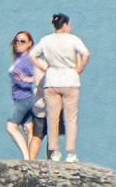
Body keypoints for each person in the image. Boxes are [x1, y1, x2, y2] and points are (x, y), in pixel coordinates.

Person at [31, 13, 89, 162]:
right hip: (70, 81)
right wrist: (79, 69)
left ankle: (55, 151)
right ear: (65, 25)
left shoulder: (47, 40)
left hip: (52, 80)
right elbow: (86, 54)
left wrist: (45, 67)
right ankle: (70, 153)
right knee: (70, 118)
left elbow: (33, 55)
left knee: (52, 118)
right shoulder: (73, 39)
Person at [5, 31, 43, 160]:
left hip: (23, 98)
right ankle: (31, 159)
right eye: (17, 41)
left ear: (30, 44)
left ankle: (27, 158)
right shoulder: (20, 58)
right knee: (28, 128)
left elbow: (39, 76)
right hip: (22, 97)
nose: (18, 44)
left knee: (11, 127)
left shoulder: (28, 59)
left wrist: (26, 79)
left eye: (22, 41)